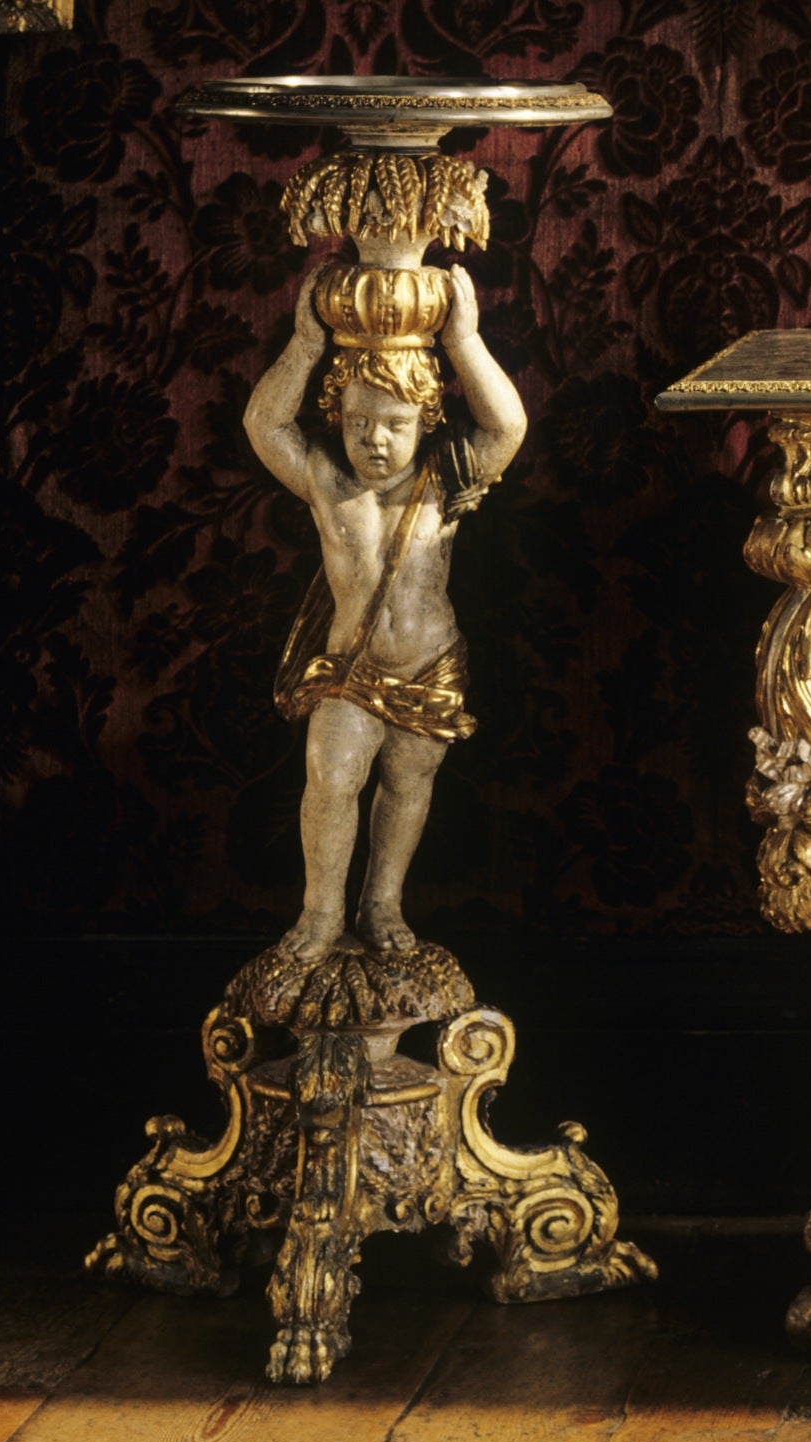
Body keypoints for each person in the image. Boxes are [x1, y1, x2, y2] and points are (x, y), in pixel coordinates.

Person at [243, 264, 525, 961]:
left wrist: (464, 341)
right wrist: (306, 344)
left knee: (406, 785)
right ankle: (318, 913)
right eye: (358, 422)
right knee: (333, 778)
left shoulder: (445, 481)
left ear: (425, 421)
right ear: (337, 418)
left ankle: (382, 904)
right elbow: (264, 422)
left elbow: (508, 424)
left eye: (394, 424)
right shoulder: (327, 481)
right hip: (350, 667)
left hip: (429, 666)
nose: (373, 439)